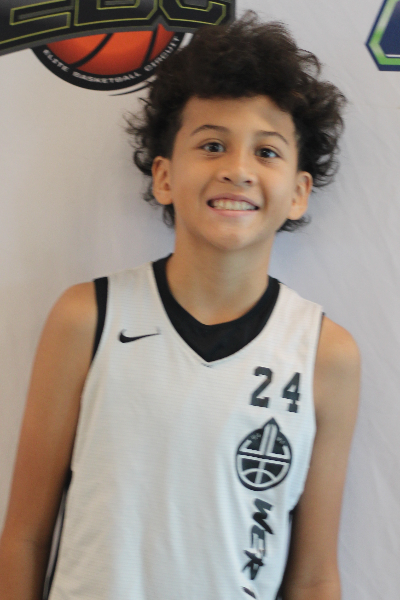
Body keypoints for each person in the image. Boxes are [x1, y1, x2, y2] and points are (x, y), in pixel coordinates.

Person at [0, 12, 360, 600]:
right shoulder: (87, 318)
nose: (237, 169)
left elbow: (314, 575)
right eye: (212, 145)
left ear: (298, 192)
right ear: (164, 176)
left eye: (266, 152)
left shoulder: (326, 355)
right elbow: (23, 538)